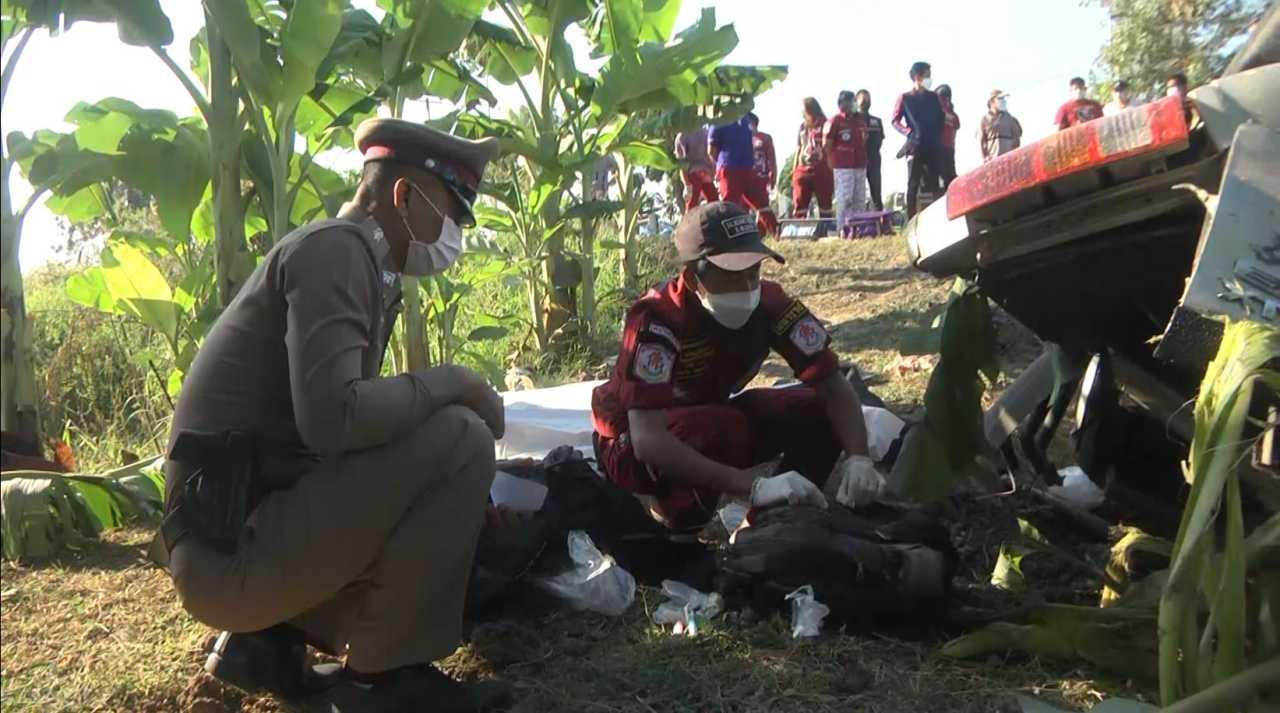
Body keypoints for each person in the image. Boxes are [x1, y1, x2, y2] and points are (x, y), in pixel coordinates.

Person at [160, 117, 512, 712]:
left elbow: (330, 437)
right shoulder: (338, 251)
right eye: (452, 215)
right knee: (461, 438)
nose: (454, 235)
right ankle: (385, 682)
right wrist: (455, 382)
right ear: (405, 196)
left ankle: (267, 641)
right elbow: (336, 419)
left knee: (432, 452)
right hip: (232, 559)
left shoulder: (355, 258)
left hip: (229, 542)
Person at [591, 201, 878, 531]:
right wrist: (752, 486)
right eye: (730, 275)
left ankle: (775, 522)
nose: (746, 287)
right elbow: (648, 440)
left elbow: (831, 383)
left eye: (753, 272)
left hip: (709, 413)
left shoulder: (770, 305)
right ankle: (675, 524)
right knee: (721, 427)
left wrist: (859, 457)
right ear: (693, 278)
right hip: (628, 441)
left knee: (816, 410)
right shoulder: (658, 319)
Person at [892, 61, 947, 218]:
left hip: (933, 145)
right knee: (913, 183)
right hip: (915, 145)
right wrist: (908, 132)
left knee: (934, 182)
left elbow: (941, 118)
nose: (929, 79)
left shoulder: (934, 97)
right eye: (927, 75)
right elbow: (895, 121)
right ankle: (911, 217)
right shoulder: (905, 98)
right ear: (917, 76)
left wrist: (937, 135)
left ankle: (934, 217)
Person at [710, 115, 780, 236]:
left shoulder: (745, 120)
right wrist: (722, 166)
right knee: (730, 205)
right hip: (730, 168)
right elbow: (712, 151)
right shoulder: (719, 122)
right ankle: (725, 239)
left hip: (746, 168)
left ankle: (777, 234)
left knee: (760, 202)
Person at [824, 90, 870, 234]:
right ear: (842, 104)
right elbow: (827, 145)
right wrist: (831, 162)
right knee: (845, 199)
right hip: (843, 166)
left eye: (854, 101)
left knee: (859, 199)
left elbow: (864, 139)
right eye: (851, 101)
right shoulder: (834, 121)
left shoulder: (860, 121)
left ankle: (859, 230)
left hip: (860, 164)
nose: (854, 104)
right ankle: (843, 229)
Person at [792, 97, 835, 220]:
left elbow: (831, 146)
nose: (802, 112)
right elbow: (799, 148)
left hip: (822, 168)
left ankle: (826, 227)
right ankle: (799, 227)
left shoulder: (826, 124)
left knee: (825, 204)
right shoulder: (802, 127)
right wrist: (795, 170)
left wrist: (831, 167)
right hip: (803, 169)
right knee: (800, 202)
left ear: (811, 109)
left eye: (804, 109)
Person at [674, 126, 717, 213]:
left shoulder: (682, 136)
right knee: (712, 201)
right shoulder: (705, 132)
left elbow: (681, 164)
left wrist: (687, 184)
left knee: (694, 204)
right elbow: (712, 154)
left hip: (697, 173)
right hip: (701, 173)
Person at [746, 112, 778, 227]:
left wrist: (773, 174)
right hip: (746, 175)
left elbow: (771, 157)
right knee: (744, 205)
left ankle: (765, 230)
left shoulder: (765, 138)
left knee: (762, 203)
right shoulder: (742, 139)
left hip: (761, 176)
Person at [856, 90, 885, 211]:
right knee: (857, 195)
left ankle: (878, 217)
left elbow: (881, 139)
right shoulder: (853, 120)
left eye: (868, 100)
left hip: (874, 160)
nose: (866, 102)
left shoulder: (877, 121)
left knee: (876, 193)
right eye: (863, 100)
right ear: (856, 101)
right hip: (857, 162)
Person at [979, 90, 1023, 162]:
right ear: (992, 101)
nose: (1003, 101)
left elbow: (1017, 138)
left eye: (1003, 99)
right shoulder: (984, 120)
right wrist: (985, 158)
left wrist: (1016, 156)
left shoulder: (1010, 119)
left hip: (1009, 159)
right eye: (1000, 99)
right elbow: (981, 142)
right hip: (993, 160)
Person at [935, 84, 960, 189]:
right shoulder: (939, 111)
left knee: (948, 176)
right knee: (945, 176)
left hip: (946, 148)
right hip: (941, 148)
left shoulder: (950, 113)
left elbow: (956, 127)